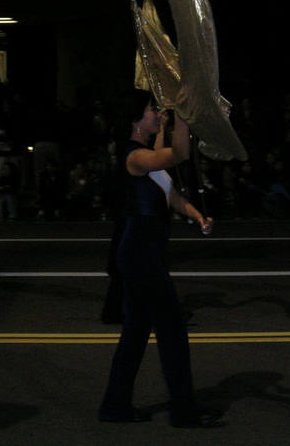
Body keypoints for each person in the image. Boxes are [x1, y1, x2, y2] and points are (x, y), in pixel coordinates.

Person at [98, 88, 222, 428]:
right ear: (135, 120)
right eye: (152, 109)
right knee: (172, 329)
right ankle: (183, 411)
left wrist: (197, 216)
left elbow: (171, 193)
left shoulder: (147, 156)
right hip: (140, 256)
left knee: (136, 332)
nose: (158, 113)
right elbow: (180, 153)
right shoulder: (134, 158)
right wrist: (183, 112)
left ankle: (114, 406)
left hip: (140, 254)